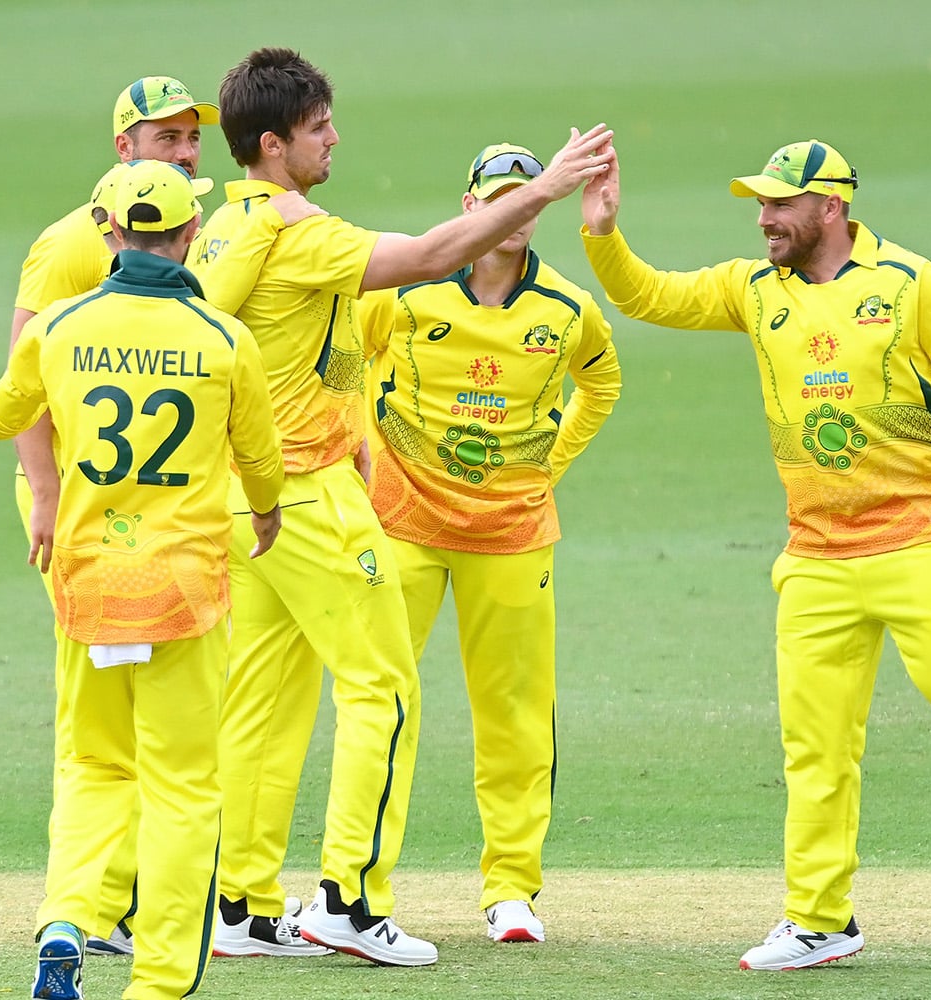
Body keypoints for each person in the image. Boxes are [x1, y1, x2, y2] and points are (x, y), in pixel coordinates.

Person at [580, 139, 931, 970]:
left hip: (919, 541)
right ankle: (819, 920)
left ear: (830, 207)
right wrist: (603, 231)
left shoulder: (910, 282)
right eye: (760, 205)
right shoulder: (753, 289)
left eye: (779, 204)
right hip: (814, 557)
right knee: (816, 749)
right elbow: (646, 295)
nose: (763, 219)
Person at [186, 47, 613, 966]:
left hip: (242, 497)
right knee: (383, 687)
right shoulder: (298, 232)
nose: (334, 138)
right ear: (273, 144)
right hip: (307, 496)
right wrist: (545, 190)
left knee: (263, 703)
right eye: (318, 128)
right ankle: (349, 901)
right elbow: (425, 258)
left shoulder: (224, 227)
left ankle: (242, 908)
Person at [9, 76, 323, 960]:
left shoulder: (191, 222)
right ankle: (134, 923)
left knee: (110, 743)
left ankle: (94, 907)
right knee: (143, 745)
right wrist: (44, 492)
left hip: (142, 516)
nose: (186, 152)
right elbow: (24, 378)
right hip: (88, 511)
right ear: (124, 148)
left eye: (192, 137)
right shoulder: (71, 243)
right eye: (166, 138)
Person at [364, 142, 621, 944]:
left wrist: (547, 465)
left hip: (512, 535)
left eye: (528, 196)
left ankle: (511, 890)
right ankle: (359, 890)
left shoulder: (567, 309)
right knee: (381, 704)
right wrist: (362, 453)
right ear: (470, 205)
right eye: (500, 195)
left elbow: (603, 383)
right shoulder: (404, 292)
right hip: (403, 525)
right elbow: (342, 361)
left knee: (515, 713)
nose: (515, 210)